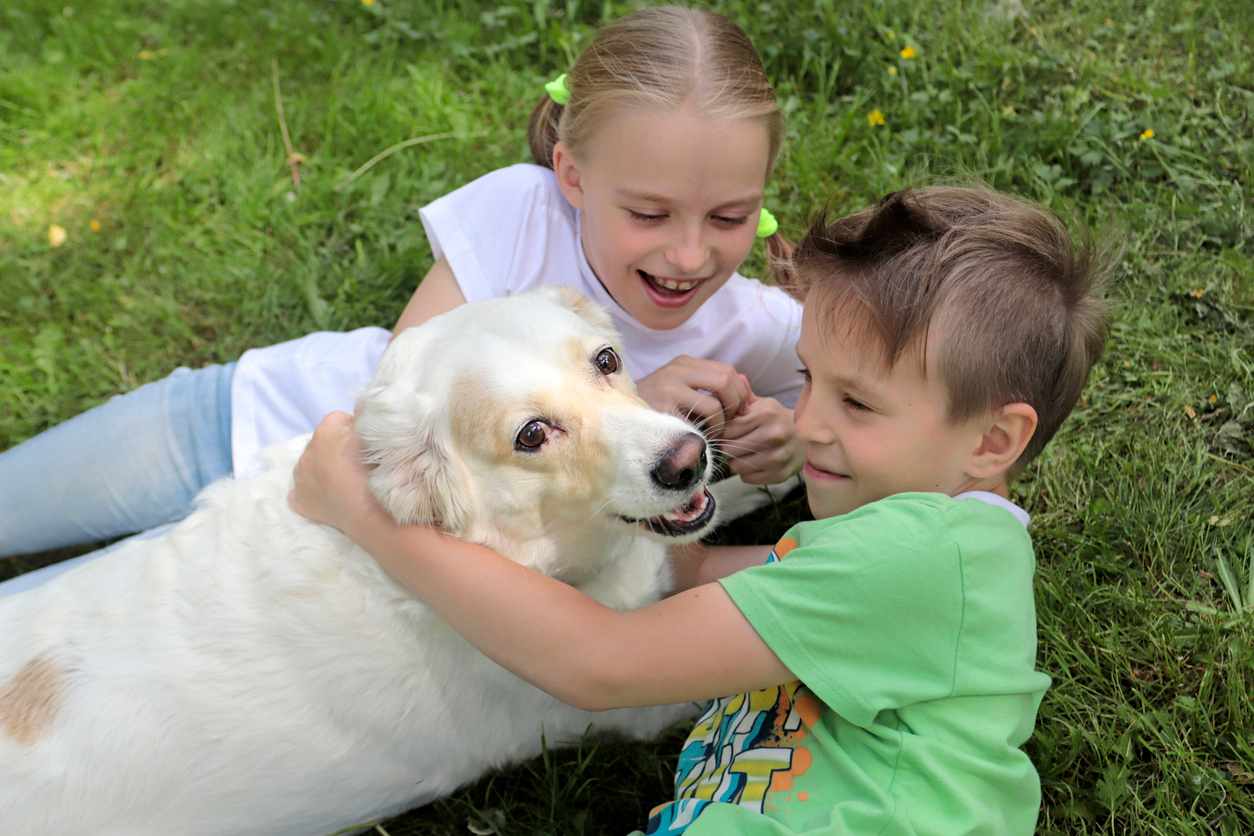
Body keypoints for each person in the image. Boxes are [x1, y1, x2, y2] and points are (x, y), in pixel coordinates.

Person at [288, 185, 1111, 834]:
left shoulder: (919, 559)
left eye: (857, 405)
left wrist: (370, 518)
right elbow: (705, 573)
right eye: (810, 380)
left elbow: (598, 665)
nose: (809, 420)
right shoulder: (918, 545)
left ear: (994, 439)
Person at [0, 6, 804, 589]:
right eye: (649, 213)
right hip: (240, 423)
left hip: (308, 559)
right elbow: (400, 387)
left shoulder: (757, 326)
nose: (691, 252)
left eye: (730, 217)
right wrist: (635, 401)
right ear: (572, 175)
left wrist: (787, 437)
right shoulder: (520, 211)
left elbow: (857, 408)